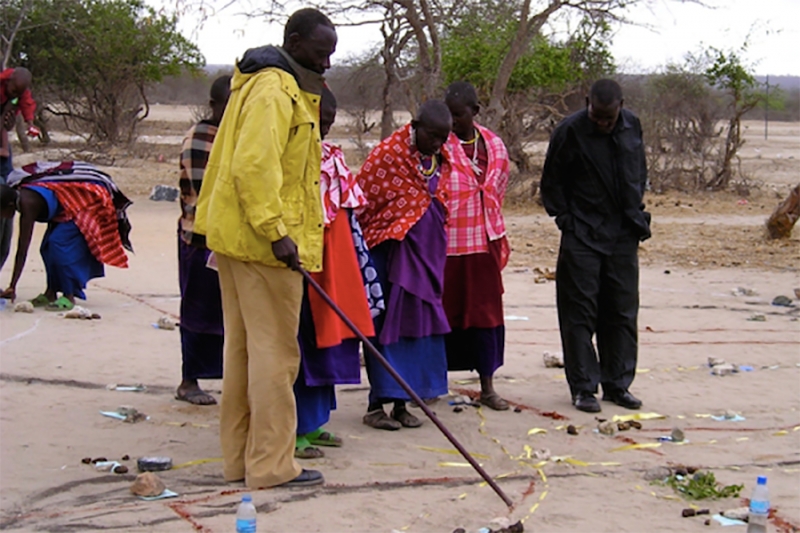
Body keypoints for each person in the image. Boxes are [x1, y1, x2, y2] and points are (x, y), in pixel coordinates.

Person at [193, 8, 337, 489]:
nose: (327, 64)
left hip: (241, 239)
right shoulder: (274, 89)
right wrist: (278, 233)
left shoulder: (259, 84)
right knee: (275, 357)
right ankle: (272, 465)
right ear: (294, 43)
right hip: (263, 245)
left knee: (246, 354)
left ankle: (242, 461)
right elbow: (254, 168)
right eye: (321, 54)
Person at [540, 79, 651, 413]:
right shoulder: (569, 131)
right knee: (579, 313)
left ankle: (617, 385)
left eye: (609, 117)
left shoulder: (632, 126)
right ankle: (583, 388)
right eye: (597, 116)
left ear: (621, 106)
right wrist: (567, 221)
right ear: (587, 103)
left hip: (622, 234)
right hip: (582, 235)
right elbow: (552, 182)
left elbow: (638, 172)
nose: (603, 123)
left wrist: (635, 214)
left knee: (621, 311)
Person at [356, 100, 453, 430]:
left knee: (417, 328)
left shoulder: (439, 159)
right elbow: (365, 205)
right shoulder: (388, 154)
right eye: (432, 135)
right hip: (389, 255)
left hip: (424, 257)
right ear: (415, 126)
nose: (437, 143)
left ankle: (402, 403)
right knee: (386, 328)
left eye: (443, 137)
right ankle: (375, 406)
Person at [293, 86, 378, 458]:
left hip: (336, 264)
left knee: (327, 345)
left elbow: (348, 216)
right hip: (304, 267)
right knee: (300, 349)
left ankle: (313, 424)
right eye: (317, 122)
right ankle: (292, 431)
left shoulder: (331, 158)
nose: (322, 130)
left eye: (327, 123)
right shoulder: (290, 160)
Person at [442, 82, 511, 411]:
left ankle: (487, 386)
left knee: (485, 315)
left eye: (459, 114)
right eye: (449, 114)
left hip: (484, 242)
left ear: (475, 112)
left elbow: (499, 189)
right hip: (446, 244)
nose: (453, 121)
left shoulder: (494, 146)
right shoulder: (438, 143)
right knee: (442, 314)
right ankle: (433, 384)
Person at [0, 161, 132, 308]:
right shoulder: (18, 193)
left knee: (59, 245)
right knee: (46, 248)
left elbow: (22, 249)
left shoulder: (28, 203)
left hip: (85, 203)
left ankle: (69, 295)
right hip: (64, 207)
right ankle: (51, 292)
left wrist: (12, 285)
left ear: (10, 206)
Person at [175, 75, 231, 406]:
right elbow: (204, 197)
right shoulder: (200, 139)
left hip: (225, 239)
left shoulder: (231, 137)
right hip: (200, 237)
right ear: (213, 106)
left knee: (226, 315)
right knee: (198, 311)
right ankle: (189, 380)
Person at [1, 67, 39, 270]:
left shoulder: (18, 93)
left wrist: (30, 123)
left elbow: (26, 105)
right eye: (12, 91)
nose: (14, 95)